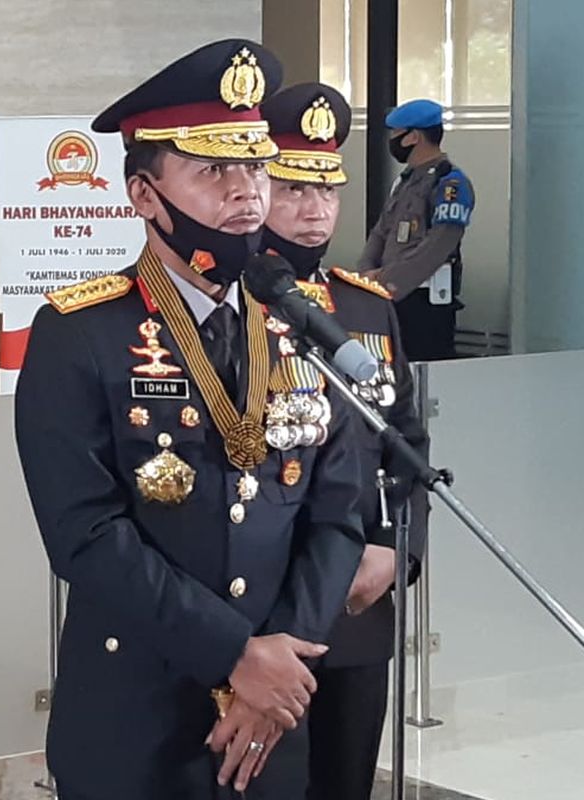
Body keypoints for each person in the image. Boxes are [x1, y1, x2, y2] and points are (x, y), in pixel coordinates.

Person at [14, 40, 365, 800]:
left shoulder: (297, 325)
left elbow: (338, 512)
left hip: (275, 711)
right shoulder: (81, 332)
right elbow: (85, 532)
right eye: (214, 171)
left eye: (256, 168)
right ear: (145, 195)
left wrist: (282, 665)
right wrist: (239, 654)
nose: (246, 193)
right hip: (138, 710)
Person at [261, 82, 430, 800]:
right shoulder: (225, 306)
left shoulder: (364, 306)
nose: (315, 210)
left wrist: (399, 550)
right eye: (295, 189)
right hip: (261, 611)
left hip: (357, 609)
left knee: (345, 785)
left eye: (327, 191)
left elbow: (409, 446)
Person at [355, 98, 474, 361]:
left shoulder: (450, 183)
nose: (392, 140)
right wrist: (365, 273)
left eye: (396, 133)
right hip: (388, 297)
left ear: (413, 137)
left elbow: (437, 246)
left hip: (423, 302)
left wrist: (386, 279)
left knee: (425, 374)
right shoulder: (406, 180)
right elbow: (381, 231)